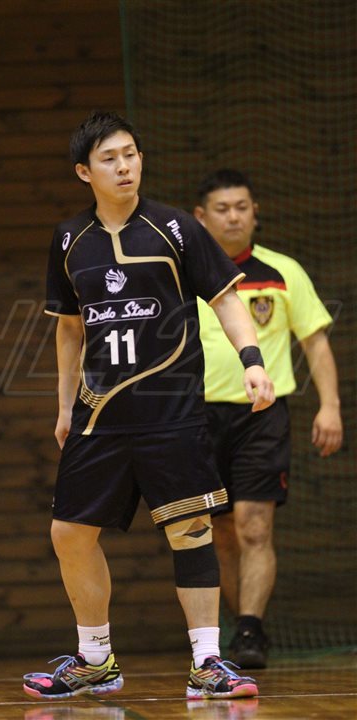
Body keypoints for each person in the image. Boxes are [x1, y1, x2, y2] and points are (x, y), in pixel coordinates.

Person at [23, 113, 275, 702]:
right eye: (109, 158)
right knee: (69, 533)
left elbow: (226, 299)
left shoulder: (176, 228)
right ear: (84, 172)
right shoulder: (69, 239)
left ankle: (207, 663)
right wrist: (64, 407)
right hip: (99, 415)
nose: (125, 166)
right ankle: (95, 660)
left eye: (131, 154)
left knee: (191, 530)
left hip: (172, 413)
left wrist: (253, 360)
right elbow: (69, 329)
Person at [194, 169, 343, 669]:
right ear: (201, 217)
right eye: (222, 209)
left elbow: (314, 342)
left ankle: (251, 630)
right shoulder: (184, 274)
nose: (234, 217)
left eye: (242, 207)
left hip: (262, 416)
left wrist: (330, 405)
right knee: (221, 532)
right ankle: (241, 627)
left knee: (254, 526)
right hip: (197, 418)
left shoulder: (283, 272)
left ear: (255, 212)